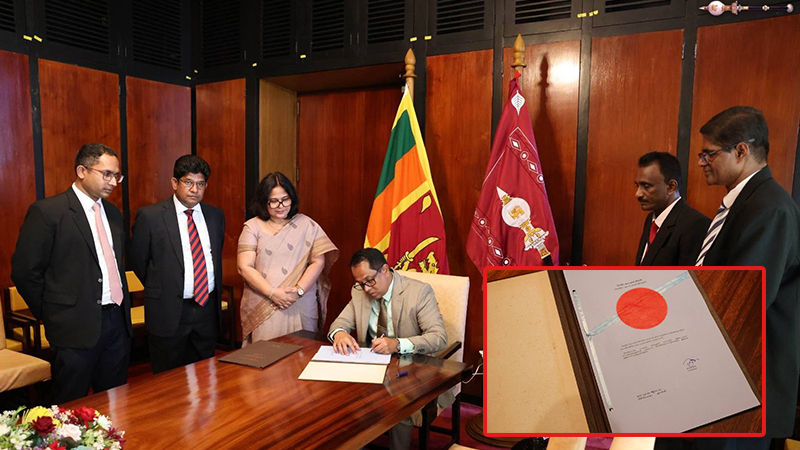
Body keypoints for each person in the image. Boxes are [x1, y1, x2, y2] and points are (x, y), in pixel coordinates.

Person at [694, 106, 800, 449]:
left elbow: (744, 301)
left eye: (709, 153)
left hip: (747, 383)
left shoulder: (769, 208)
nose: (701, 162)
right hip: (727, 376)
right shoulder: (745, 202)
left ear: (741, 151)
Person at [11, 143, 132, 404]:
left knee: (115, 402)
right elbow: (25, 272)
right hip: (73, 325)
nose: (113, 182)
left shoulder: (112, 213)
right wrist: (53, 314)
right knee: (70, 404)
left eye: (117, 176)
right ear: (81, 171)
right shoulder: (49, 212)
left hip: (116, 321)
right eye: (106, 174)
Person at [328, 248, 448, 450]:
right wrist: (339, 333)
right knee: (335, 399)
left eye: (369, 281)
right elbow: (339, 323)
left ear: (384, 270)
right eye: (360, 283)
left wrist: (398, 344)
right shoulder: (359, 292)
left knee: (396, 404)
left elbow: (439, 337)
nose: (366, 289)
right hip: (369, 366)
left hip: (409, 368)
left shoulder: (418, 292)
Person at [130, 155, 225, 374]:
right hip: (168, 310)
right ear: (175, 183)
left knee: (205, 375)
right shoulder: (151, 216)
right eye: (188, 182)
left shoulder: (215, 216)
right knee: (168, 379)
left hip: (206, 309)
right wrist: (165, 285)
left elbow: (214, 256)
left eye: (200, 184)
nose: (194, 189)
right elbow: (138, 262)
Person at [237, 172, 338, 344]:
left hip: (300, 301)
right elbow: (244, 267)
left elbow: (318, 261)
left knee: (303, 351)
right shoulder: (252, 227)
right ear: (264, 201)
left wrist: (298, 291)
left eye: (285, 199)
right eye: (273, 201)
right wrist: (272, 293)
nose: (280, 206)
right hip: (265, 302)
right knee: (267, 354)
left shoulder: (307, 225)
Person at [634, 152, 709, 266]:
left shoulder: (695, 225)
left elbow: (688, 274)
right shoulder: (651, 219)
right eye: (637, 186)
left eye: (646, 186)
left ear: (671, 187)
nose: (638, 194)